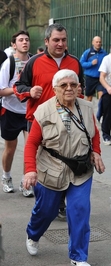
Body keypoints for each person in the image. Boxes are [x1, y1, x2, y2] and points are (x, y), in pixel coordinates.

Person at [23, 69, 104, 266]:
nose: (69, 88)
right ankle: (33, 234)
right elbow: (31, 144)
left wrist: (96, 151)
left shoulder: (86, 107)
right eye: (64, 85)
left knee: (79, 211)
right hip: (51, 169)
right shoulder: (43, 110)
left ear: (78, 88)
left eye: (73, 85)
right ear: (55, 89)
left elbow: (93, 133)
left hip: (80, 170)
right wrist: (30, 169)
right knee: (46, 212)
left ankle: (78, 257)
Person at [14, 23, 85, 219]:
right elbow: (18, 86)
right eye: (56, 40)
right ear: (47, 41)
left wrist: (80, 93)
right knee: (40, 165)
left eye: (63, 40)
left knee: (64, 163)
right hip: (39, 120)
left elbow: (82, 90)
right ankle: (44, 203)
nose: (60, 44)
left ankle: (59, 204)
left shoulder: (75, 63)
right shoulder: (34, 62)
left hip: (67, 120)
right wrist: (30, 91)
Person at [0, 30, 33, 196]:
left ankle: (25, 182)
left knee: (30, 147)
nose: (25, 42)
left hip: (29, 111)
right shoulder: (9, 63)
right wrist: (17, 90)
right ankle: (6, 177)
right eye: (21, 40)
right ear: (14, 45)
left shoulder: (34, 62)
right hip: (11, 111)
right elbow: (1, 90)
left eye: (27, 39)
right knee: (10, 148)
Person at [80, 36, 107, 102]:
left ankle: (100, 111)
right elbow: (81, 63)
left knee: (102, 96)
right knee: (89, 98)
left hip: (100, 78)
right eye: (97, 42)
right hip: (90, 78)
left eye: (100, 42)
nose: (98, 43)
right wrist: (91, 63)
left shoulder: (104, 53)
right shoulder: (88, 52)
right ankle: (88, 111)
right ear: (93, 43)